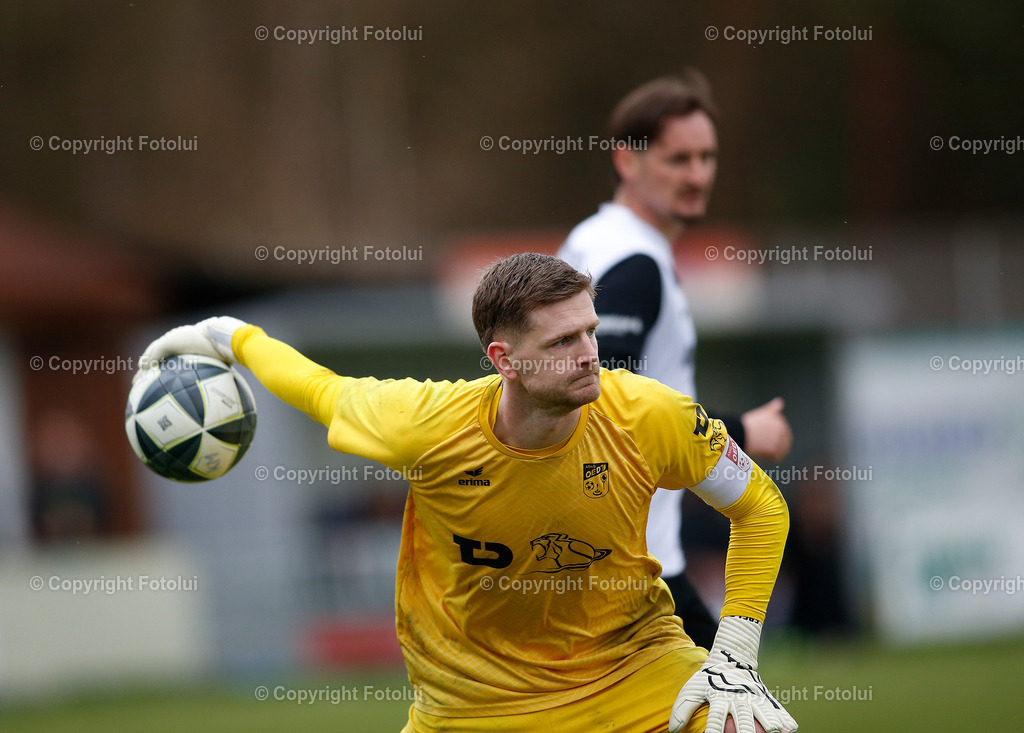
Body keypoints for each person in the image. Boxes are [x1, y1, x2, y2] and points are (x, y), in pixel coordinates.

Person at [136, 253, 797, 733]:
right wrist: (228, 335)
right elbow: (318, 387)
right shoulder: (423, 424)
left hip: (631, 667)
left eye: (591, 331)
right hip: (473, 702)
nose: (590, 353)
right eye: (563, 340)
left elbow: (761, 506)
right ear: (505, 359)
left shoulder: (650, 414)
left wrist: (732, 652)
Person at [558, 72, 792, 649]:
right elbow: (602, 393)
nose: (697, 175)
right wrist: (743, 430)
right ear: (626, 161)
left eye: (706, 157)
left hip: (614, 558)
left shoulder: (590, 240)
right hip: (640, 568)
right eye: (678, 158)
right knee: (737, 709)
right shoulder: (634, 260)